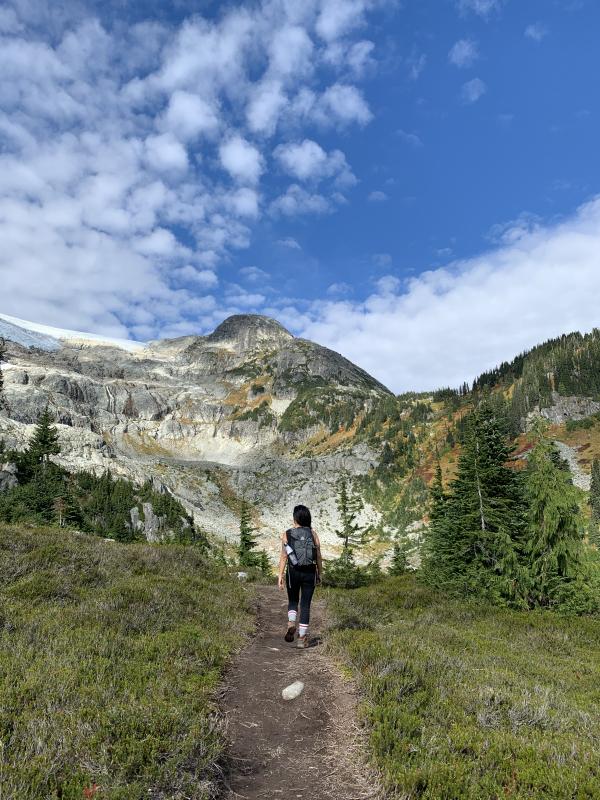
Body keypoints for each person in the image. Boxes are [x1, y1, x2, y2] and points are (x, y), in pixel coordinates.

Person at [277, 504, 323, 649]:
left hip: (293, 572)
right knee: (305, 605)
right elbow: (318, 556)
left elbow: (284, 556)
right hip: (309, 572)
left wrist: (280, 576)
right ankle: (302, 638)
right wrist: (320, 573)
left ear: (295, 518)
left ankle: (291, 622)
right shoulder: (313, 534)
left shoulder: (287, 533)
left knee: (293, 600)